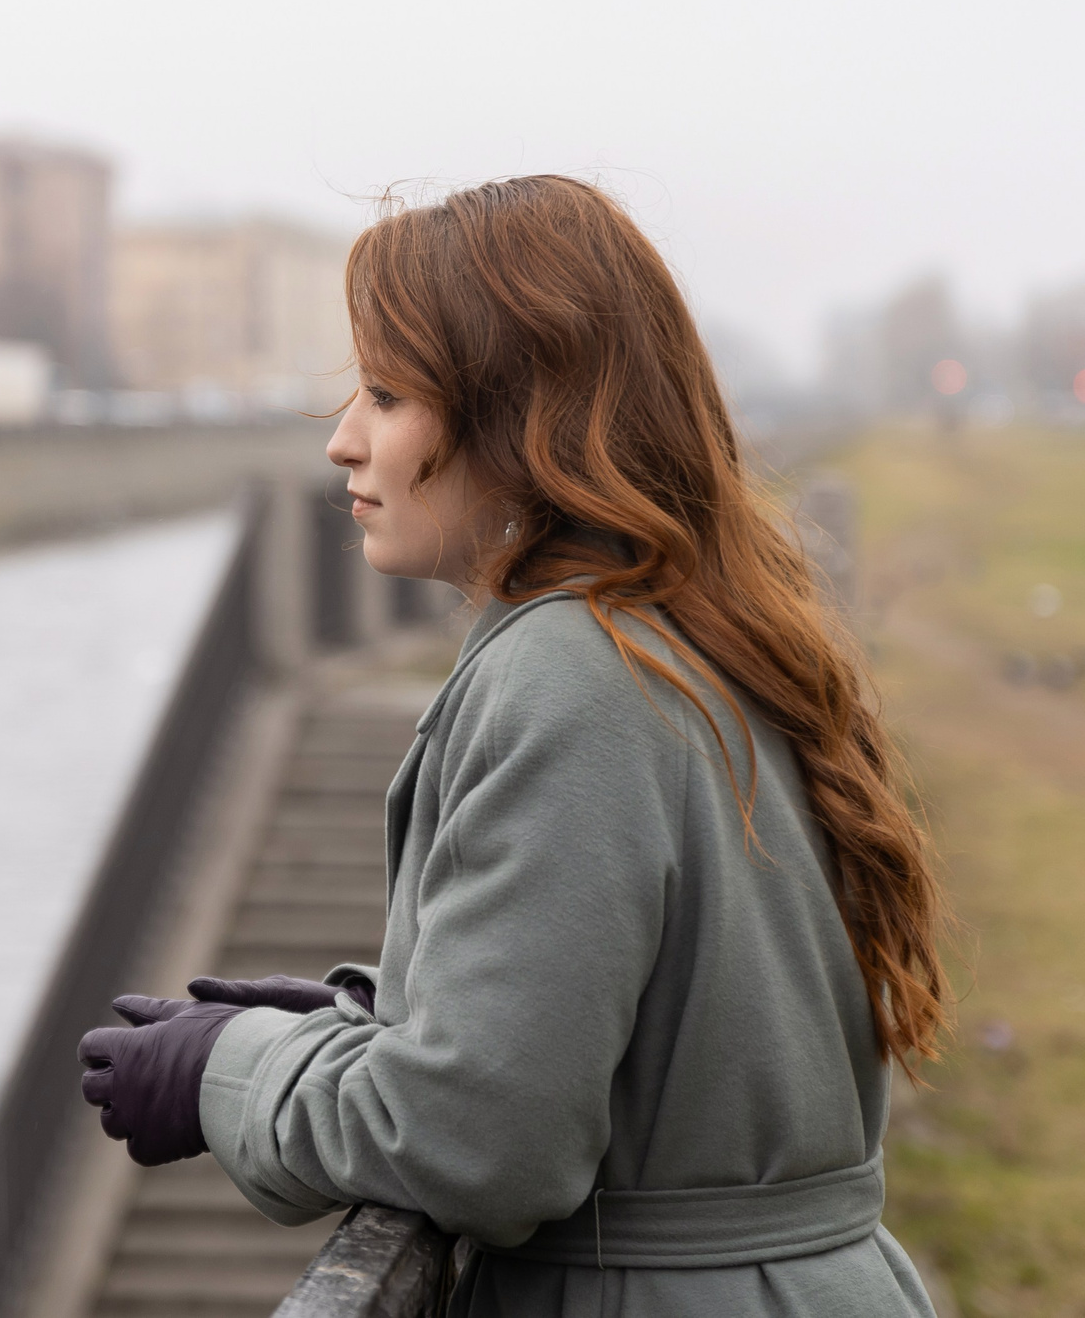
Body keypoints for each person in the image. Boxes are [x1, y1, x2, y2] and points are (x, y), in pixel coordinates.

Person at [80, 175, 949, 1317]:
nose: (343, 443)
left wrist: (224, 1073)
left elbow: (479, 1142)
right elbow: (646, 1048)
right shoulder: (699, 632)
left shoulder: (572, 674)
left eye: (387, 396)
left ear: (520, 419)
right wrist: (367, 1030)